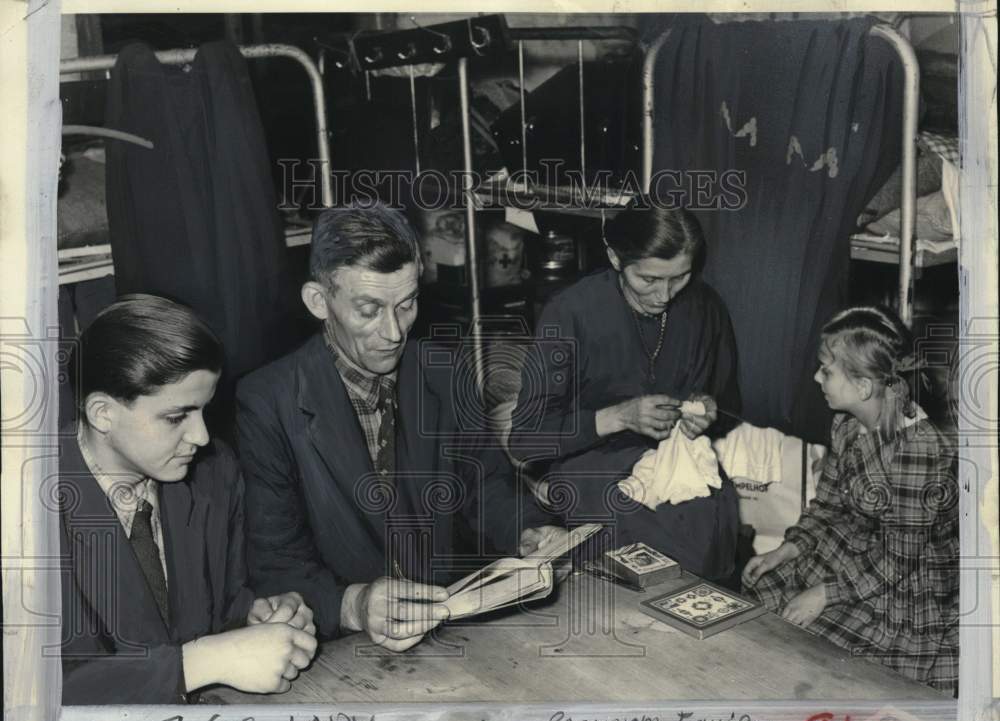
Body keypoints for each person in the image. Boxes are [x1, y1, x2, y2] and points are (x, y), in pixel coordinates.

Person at [236, 203, 557, 652]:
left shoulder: (444, 370)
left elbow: (487, 490)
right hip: (343, 650)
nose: (393, 332)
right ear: (318, 302)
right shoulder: (266, 403)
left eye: (406, 305)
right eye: (369, 309)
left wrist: (526, 530)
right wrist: (353, 604)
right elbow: (274, 566)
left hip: (455, 630)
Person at [60, 295, 317, 704]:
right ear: (102, 413)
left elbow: (222, 607)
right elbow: (40, 689)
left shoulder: (214, 473)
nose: (200, 436)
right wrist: (202, 662)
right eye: (177, 417)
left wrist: (259, 617)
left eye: (204, 410)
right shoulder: (26, 512)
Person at [509, 198, 742, 582]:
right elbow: (525, 439)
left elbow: (729, 408)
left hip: (676, 465)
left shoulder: (704, 306)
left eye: (679, 277)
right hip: (591, 467)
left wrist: (707, 410)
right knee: (652, 535)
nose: (665, 295)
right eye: (648, 279)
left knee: (714, 514)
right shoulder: (571, 313)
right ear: (616, 258)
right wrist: (618, 417)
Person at [742, 306, 959, 695]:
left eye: (826, 371)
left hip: (902, 578)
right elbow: (827, 506)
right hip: (855, 548)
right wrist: (787, 550)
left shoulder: (918, 451)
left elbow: (898, 560)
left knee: (826, 649)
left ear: (862, 387)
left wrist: (825, 594)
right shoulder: (846, 423)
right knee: (766, 597)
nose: (815, 378)